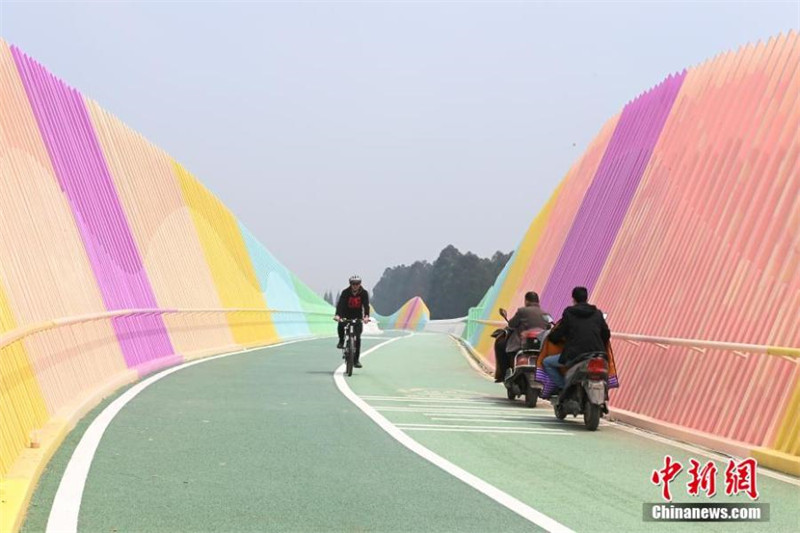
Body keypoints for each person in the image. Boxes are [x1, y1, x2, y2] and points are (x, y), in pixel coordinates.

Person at [542, 286, 610, 393]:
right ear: (587, 299)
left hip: (575, 355)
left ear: (573, 299)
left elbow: (560, 332)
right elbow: (606, 334)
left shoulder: (569, 312)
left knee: (547, 362)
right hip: (597, 354)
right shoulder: (597, 313)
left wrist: (553, 337)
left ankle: (564, 388)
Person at [495, 291, 551, 383]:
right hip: (541, 346)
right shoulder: (546, 314)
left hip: (522, 344)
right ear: (538, 301)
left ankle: (504, 373)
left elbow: (512, 324)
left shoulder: (522, 311)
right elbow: (549, 326)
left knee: (501, 345)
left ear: (527, 301)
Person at [334, 275, 370, 368]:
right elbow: (340, 304)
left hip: (358, 316)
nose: (355, 286)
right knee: (341, 324)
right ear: (350, 284)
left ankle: (356, 360)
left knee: (357, 338)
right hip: (346, 315)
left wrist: (366, 316)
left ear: (360, 284)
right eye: (353, 284)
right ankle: (341, 341)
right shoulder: (345, 292)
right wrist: (338, 315)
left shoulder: (364, 293)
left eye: (357, 283)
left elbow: (366, 305)